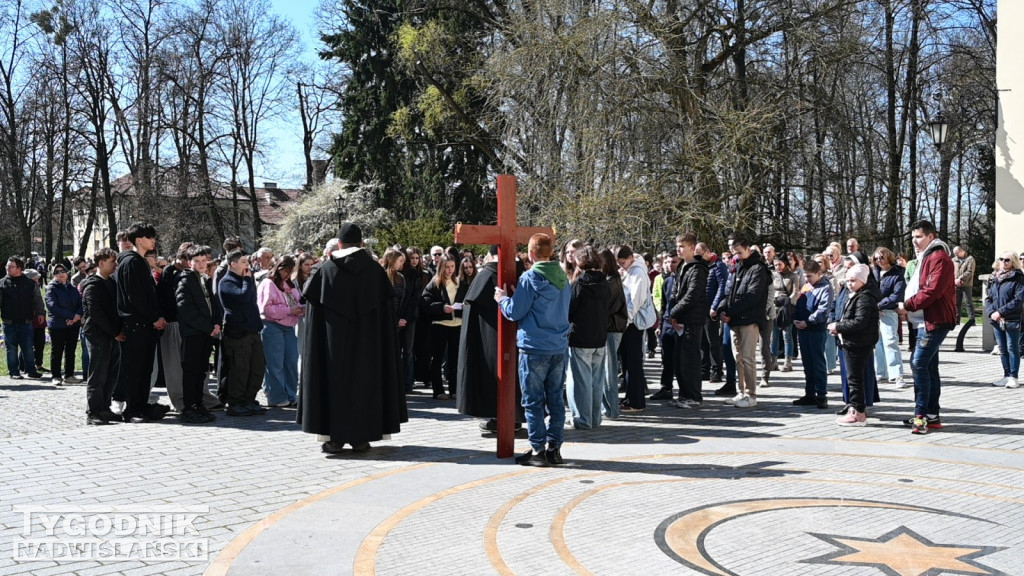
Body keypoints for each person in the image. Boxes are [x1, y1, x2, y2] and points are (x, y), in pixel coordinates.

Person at [298, 223, 407, 453]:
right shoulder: (376, 272)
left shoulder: (325, 271)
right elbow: (387, 316)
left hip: (332, 348)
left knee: (333, 385)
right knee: (365, 384)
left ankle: (335, 439)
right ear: (361, 244)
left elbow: (313, 319)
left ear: (339, 244)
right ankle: (362, 438)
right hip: (369, 347)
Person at [496, 233, 571, 466]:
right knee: (557, 400)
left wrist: (502, 299)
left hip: (534, 347)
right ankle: (555, 449)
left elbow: (514, 312)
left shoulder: (529, 278)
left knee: (533, 401)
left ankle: (538, 450)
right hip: (558, 346)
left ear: (530, 254)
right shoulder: (564, 277)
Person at [457, 245, 525, 432]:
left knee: (495, 375)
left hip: (489, 338)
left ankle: (500, 417)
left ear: (490, 255)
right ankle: (516, 417)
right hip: (519, 336)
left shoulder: (485, 275)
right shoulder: (523, 274)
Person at [899, 220, 957, 434]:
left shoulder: (939, 258)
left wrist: (907, 306)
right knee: (929, 367)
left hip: (934, 321)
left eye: (919, 236)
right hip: (923, 321)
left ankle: (921, 417)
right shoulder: (926, 257)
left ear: (931, 237)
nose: (915, 241)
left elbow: (932, 291)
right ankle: (932, 415)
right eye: (913, 237)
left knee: (919, 364)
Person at [115, 222, 170, 423]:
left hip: (144, 325)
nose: (154, 240)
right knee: (136, 369)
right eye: (150, 237)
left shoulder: (138, 262)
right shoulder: (132, 262)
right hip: (137, 325)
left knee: (144, 369)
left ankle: (141, 405)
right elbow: (135, 297)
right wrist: (154, 317)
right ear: (139, 240)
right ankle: (132, 409)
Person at [717, 232, 768, 408]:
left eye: (739, 252)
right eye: (734, 253)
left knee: (748, 358)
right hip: (734, 320)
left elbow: (752, 296)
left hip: (749, 319)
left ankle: (751, 394)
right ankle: (741, 391)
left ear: (747, 248)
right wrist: (722, 309)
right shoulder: (736, 267)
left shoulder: (758, 268)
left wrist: (730, 310)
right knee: (737, 357)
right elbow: (727, 291)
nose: (736, 256)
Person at [175, 245, 222, 424]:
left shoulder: (205, 279)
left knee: (202, 372)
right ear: (189, 262)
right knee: (191, 372)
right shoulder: (185, 280)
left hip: (206, 333)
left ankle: (198, 404)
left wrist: (216, 323)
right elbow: (185, 309)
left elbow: (214, 305)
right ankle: (189, 407)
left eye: (204, 261)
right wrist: (207, 327)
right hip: (193, 333)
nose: (202, 264)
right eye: (197, 261)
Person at [829, 264, 880, 426]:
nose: (849, 284)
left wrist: (838, 327)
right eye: (848, 280)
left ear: (862, 281)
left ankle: (858, 413)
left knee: (855, 380)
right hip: (853, 342)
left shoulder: (864, 297)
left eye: (853, 280)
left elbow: (860, 322)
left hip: (858, 343)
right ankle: (857, 409)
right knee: (855, 379)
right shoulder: (857, 294)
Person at [219, 249, 268, 417]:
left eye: (247, 262)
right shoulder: (226, 282)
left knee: (257, 367)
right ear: (233, 264)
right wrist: (248, 280)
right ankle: (235, 402)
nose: (247, 266)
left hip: (252, 330)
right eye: (243, 262)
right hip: (237, 333)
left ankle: (249, 399)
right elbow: (243, 296)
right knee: (240, 369)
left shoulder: (245, 279)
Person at [567, 245, 610, 429]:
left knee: (582, 381)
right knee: (597, 381)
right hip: (600, 336)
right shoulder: (605, 283)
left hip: (581, 336)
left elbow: (570, 310)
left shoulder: (579, 284)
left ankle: (583, 420)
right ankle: (595, 417)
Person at [81, 249, 124, 425]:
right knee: (98, 374)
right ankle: (94, 412)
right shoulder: (92, 285)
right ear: (101, 263)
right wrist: (114, 332)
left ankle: (105, 408)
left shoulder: (112, 283)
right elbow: (96, 313)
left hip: (113, 336)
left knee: (111, 374)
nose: (115, 264)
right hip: (99, 336)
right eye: (112, 261)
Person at [258, 255, 304, 408]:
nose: (287, 274)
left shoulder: (289, 285)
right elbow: (266, 309)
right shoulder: (268, 283)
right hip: (272, 326)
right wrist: (289, 310)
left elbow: (297, 301)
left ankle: (291, 394)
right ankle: (276, 397)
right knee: (275, 364)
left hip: (289, 327)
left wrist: (301, 309)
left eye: (290, 271)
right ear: (278, 268)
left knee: (291, 361)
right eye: (285, 271)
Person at [668, 233, 708, 409]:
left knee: (690, 359)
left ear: (692, 248)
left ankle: (693, 396)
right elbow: (676, 292)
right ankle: (684, 394)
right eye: (677, 246)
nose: (679, 249)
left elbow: (692, 295)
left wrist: (674, 311)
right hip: (681, 319)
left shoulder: (697, 269)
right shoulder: (683, 266)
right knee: (680, 359)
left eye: (682, 246)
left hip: (692, 319)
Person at [421, 254, 468, 400]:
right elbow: (425, 303)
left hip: (457, 324)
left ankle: (454, 390)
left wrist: (462, 307)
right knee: (438, 358)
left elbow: (467, 301)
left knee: (455, 359)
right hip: (440, 325)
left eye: (452, 267)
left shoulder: (460, 283)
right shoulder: (434, 283)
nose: (450, 270)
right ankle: (438, 390)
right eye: (447, 267)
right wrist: (442, 308)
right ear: (441, 267)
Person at [793, 259, 833, 408]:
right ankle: (809, 393)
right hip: (803, 329)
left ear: (819, 273)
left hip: (816, 329)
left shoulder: (826, 288)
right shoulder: (806, 286)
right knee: (807, 363)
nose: (807, 279)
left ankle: (821, 395)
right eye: (806, 276)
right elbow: (799, 304)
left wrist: (808, 321)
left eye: (810, 276)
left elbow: (823, 311)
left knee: (818, 363)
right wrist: (796, 318)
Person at [617, 245, 653, 412]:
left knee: (633, 361)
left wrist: (626, 321)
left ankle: (636, 400)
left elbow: (635, 301)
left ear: (631, 258)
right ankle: (630, 397)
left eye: (623, 262)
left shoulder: (638, 273)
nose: (622, 266)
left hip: (633, 323)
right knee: (627, 361)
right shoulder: (629, 270)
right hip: (629, 322)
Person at [984, 251, 1024, 389]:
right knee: (1002, 348)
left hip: (1011, 319)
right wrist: (991, 313)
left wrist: (1000, 312)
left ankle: (1014, 377)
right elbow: (988, 298)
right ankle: (1006, 375)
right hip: (996, 319)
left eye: (1007, 260)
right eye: (1001, 259)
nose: (1004, 262)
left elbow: (1018, 300)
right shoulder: (995, 278)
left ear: (1013, 262)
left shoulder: (1018, 277)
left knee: (1012, 348)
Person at [1, 257, 45, 379]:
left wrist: (40, 313)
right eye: (7, 267)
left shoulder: (29, 283)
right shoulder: (2, 283)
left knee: (28, 348)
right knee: (11, 349)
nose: (7, 269)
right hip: (9, 322)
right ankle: (14, 372)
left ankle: (31, 370)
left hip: (26, 321)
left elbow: (37, 299)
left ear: (19, 269)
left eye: (11, 267)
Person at [599, 248, 628, 420]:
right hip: (611, 328)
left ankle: (611, 409)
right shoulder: (612, 280)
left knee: (609, 371)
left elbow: (605, 308)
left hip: (611, 329)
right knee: (606, 370)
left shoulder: (612, 282)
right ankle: (609, 408)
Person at [873, 248, 907, 388]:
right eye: (876, 258)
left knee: (890, 342)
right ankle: (881, 373)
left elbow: (896, 295)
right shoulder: (873, 273)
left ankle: (897, 374)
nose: (879, 260)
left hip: (888, 311)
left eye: (881, 257)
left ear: (888, 257)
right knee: (877, 343)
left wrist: (879, 305)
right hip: (873, 312)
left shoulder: (898, 273)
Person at [45, 264, 84, 385]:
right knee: (57, 351)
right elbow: (52, 306)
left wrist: (76, 317)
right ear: (53, 274)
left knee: (70, 351)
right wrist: (71, 316)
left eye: (63, 271)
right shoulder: (51, 288)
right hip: (58, 325)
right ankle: (56, 376)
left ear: (67, 273)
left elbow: (81, 303)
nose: (61, 273)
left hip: (73, 325)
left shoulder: (72, 288)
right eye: (57, 272)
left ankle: (69, 375)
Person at [650, 253, 679, 401]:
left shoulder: (682, 279)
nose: (670, 265)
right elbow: (663, 305)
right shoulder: (666, 281)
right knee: (666, 357)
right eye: (667, 262)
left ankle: (685, 390)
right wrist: (660, 324)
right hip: (667, 322)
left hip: (680, 323)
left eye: (673, 262)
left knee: (680, 359)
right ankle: (666, 387)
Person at [402, 246, 429, 391]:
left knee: (409, 350)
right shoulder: (402, 273)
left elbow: (416, 297)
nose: (414, 261)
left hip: (413, 316)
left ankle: (408, 381)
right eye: (411, 258)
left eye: (417, 258)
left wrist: (407, 316)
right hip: (401, 315)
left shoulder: (422, 274)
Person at [954, 246, 977, 324]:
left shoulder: (970, 259)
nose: (956, 255)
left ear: (962, 251)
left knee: (968, 303)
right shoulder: (954, 260)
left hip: (966, 284)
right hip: (956, 284)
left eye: (957, 253)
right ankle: (956, 321)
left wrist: (960, 278)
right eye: (955, 254)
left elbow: (970, 271)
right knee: (956, 303)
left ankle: (972, 320)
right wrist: (954, 280)